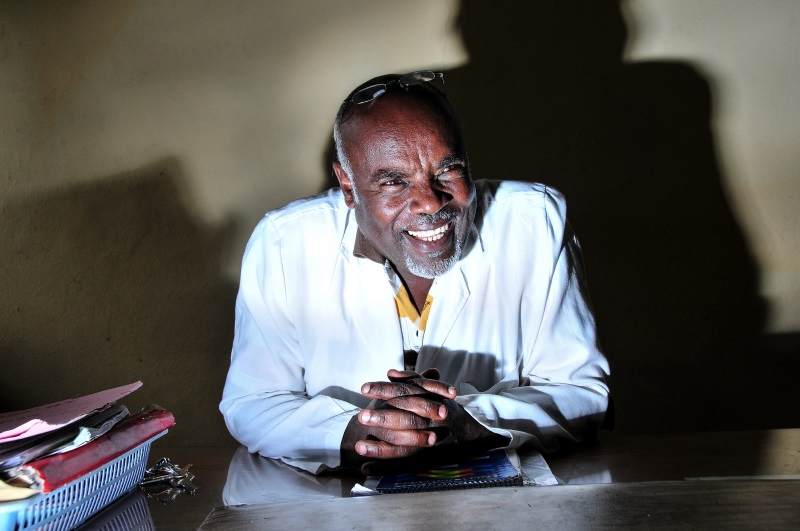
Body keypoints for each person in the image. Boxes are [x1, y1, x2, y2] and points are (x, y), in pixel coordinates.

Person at [220, 71, 610, 475]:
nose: (428, 202)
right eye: (393, 182)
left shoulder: (535, 222)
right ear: (348, 186)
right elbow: (253, 402)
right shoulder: (286, 242)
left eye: (448, 170)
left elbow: (582, 393)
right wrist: (355, 432)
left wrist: (475, 423)